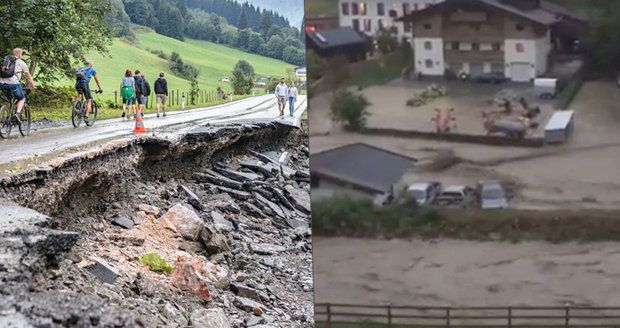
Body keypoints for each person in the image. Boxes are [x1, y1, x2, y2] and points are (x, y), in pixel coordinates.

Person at [0, 48, 36, 123]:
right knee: (22, 98)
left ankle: (8, 114)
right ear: (20, 54)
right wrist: (33, 86)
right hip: (13, 84)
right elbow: (28, 76)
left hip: (2, 84)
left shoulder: (6, 61)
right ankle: (17, 113)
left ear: (13, 53)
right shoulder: (21, 62)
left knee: (10, 99)